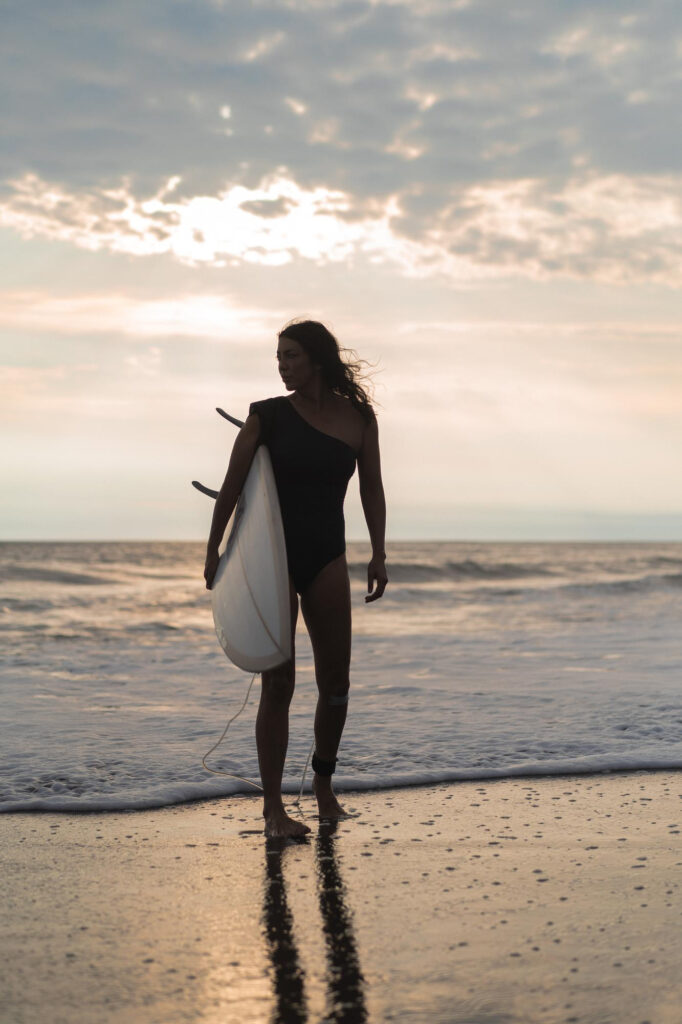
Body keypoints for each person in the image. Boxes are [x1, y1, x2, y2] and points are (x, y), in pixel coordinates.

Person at [204, 320, 388, 838]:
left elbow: (371, 489)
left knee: (336, 683)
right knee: (279, 681)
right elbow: (231, 486)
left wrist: (378, 552)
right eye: (278, 356)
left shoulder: (358, 419)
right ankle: (273, 809)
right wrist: (214, 549)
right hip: (274, 557)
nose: (282, 365)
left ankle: (324, 785)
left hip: (327, 555)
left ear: (317, 359)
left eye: (291, 356)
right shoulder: (267, 416)